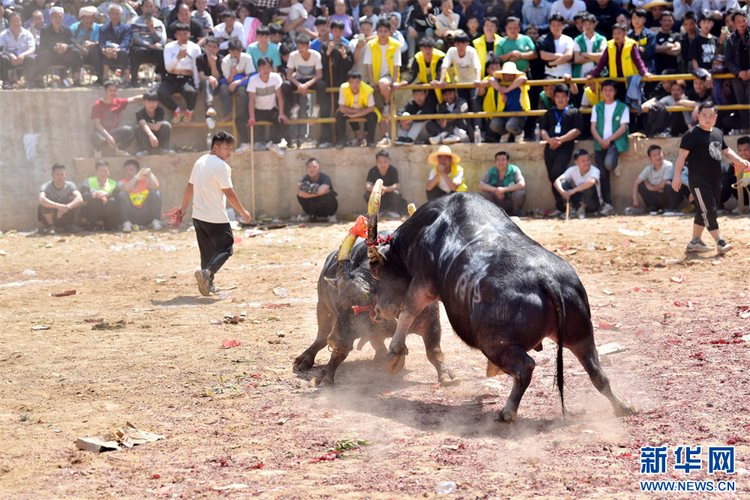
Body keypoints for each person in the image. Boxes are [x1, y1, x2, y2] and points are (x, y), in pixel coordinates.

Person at [177, 131, 252, 296]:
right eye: (226, 148)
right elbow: (229, 192)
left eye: (231, 149)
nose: (230, 152)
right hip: (215, 217)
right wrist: (243, 212)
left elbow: (190, 187)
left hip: (198, 216)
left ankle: (208, 284)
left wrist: (184, 207)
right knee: (226, 248)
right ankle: (207, 274)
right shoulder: (221, 166)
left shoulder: (200, 161)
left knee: (207, 252)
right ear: (216, 147)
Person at [672, 101, 750, 254]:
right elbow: (681, 157)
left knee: (704, 210)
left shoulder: (718, 133)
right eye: (704, 115)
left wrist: (740, 161)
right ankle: (720, 242)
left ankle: (695, 242)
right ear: (698, 116)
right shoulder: (692, 134)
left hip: (715, 180)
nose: (708, 119)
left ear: (716, 116)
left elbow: (726, 152)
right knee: (709, 210)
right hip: (699, 180)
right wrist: (677, 177)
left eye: (711, 116)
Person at [540, 83, 583, 215]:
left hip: (565, 147)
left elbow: (577, 130)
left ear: (568, 97)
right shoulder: (550, 112)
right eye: (557, 96)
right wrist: (549, 140)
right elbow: (542, 129)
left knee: (557, 174)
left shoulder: (574, 112)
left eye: (563, 96)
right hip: (550, 147)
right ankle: (561, 207)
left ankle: (571, 204)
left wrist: (561, 139)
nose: (560, 99)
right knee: (552, 177)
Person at [590, 79, 630, 216]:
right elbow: (593, 127)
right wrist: (601, 140)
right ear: (601, 92)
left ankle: (614, 162)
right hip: (600, 143)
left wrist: (608, 140)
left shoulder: (623, 107)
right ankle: (608, 204)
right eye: (605, 90)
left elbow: (623, 128)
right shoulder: (597, 107)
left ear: (615, 92)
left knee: (608, 164)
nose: (608, 93)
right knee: (603, 175)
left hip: (615, 142)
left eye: (610, 90)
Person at [587, 23, 653, 103]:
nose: (616, 36)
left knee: (632, 106)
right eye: (614, 33)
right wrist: (593, 74)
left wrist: (644, 72)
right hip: (615, 81)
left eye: (619, 33)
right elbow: (602, 62)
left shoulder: (631, 44)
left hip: (629, 81)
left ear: (625, 33)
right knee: (618, 103)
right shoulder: (610, 45)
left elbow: (638, 60)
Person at [282, 34, 325, 149]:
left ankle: (316, 107)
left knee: (322, 85)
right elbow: (289, 75)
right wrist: (299, 85)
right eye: (298, 47)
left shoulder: (316, 55)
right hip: (299, 81)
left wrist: (306, 85)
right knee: (285, 85)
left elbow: (319, 75)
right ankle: (294, 105)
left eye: (302, 47)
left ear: (308, 46)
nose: (300, 49)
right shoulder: (293, 55)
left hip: (311, 80)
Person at [364, 18, 402, 147]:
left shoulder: (396, 45)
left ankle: (387, 103)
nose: (383, 34)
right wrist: (371, 82)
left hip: (387, 78)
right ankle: (384, 136)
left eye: (385, 31)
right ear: (377, 32)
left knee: (383, 87)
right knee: (377, 110)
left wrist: (395, 82)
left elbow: (396, 65)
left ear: (390, 32)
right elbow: (368, 65)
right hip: (374, 80)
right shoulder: (371, 45)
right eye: (380, 31)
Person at [438, 30, 481, 130]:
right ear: (454, 44)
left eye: (463, 44)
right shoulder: (451, 51)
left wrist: (478, 79)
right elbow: (445, 65)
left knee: (476, 106)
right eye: (458, 44)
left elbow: (477, 66)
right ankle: (468, 132)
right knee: (464, 108)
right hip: (461, 84)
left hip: (473, 83)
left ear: (467, 44)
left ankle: (478, 130)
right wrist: (441, 80)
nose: (461, 46)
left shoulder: (472, 51)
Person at [159, 22, 201, 124]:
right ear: (175, 35)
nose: (183, 37)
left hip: (186, 77)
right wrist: (178, 57)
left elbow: (196, 67)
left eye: (185, 34)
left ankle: (189, 111)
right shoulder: (169, 47)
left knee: (190, 92)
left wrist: (197, 84)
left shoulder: (195, 48)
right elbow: (168, 67)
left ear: (189, 34)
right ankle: (177, 110)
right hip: (171, 77)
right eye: (180, 34)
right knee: (161, 93)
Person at [220, 39, 256, 152]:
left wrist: (237, 81)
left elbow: (249, 75)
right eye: (233, 51)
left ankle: (247, 110)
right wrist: (232, 74)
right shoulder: (225, 61)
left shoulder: (247, 58)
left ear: (241, 50)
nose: (235, 54)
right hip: (231, 80)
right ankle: (228, 111)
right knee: (223, 88)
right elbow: (227, 80)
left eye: (238, 51)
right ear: (229, 51)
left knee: (242, 90)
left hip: (243, 81)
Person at [247, 56, 287, 157]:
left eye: (268, 67)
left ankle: (274, 143)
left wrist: (281, 113)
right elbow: (251, 100)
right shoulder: (253, 80)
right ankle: (246, 143)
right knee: (239, 119)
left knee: (282, 120)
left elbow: (279, 96)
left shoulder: (276, 77)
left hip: (271, 109)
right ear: (259, 69)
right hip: (257, 110)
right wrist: (252, 116)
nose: (266, 70)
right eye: (263, 67)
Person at [91, 81, 141, 156]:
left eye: (115, 91)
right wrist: (108, 137)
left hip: (113, 133)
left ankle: (120, 150)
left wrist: (148, 96)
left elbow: (133, 99)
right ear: (105, 91)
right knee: (95, 136)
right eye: (110, 90)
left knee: (131, 131)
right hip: (101, 133)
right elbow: (97, 124)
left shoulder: (118, 102)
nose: (112, 93)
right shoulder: (98, 105)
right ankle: (98, 150)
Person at [629, 144, 683, 214]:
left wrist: (651, 188)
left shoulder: (668, 166)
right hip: (658, 197)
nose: (658, 157)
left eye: (659, 154)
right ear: (650, 158)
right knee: (641, 185)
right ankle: (654, 207)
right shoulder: (648, 169)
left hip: (671, 196)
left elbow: (663, 184)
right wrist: (635, 200)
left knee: (668, 185)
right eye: (654, 155)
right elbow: (636, 183)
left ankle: (672, 208)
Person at [484, 61, 529, 142]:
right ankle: (505, 133)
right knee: (494, 124)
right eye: (506, 74)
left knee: (510, 125)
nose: (509, 76)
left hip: (518, 115)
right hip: (503, 114)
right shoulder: (500, 83)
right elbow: (491, 79)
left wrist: (507, 89)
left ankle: (519, 133)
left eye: (511, 73)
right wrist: (501, 91)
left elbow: (523, 78)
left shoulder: (519, 84)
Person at [396, 36, 444, 109]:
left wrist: (437, 81)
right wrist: (406, 81)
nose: (428, 51)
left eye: (430, 48)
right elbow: (413, 72)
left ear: (433, 47)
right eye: (425, 48)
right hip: (427, 89)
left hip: (441, 87)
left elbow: (440, 70)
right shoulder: (417, 57)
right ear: (421, 48)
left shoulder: (440, 56)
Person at [37, 7, 81, 87]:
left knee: (76, 52)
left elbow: (74, 44)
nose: (58, 19)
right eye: (55, 17)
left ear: (63, 18)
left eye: (60, 17)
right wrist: (54, 48)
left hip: (65, 58)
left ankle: (77, 80)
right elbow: (42, 47)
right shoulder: (45, 30)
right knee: (44, 54)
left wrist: (66, 46)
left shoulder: (67, 30)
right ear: (50, 18)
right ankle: (40, 80)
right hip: (51, 58)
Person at [335, 70, 379, 148]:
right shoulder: (343, 87)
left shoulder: (367, 89)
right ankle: (341, 141)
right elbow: (341, 107)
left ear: (361, 81)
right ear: (348, 82)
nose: (355, 84)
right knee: (339, 115)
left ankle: (370, 141)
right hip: (352, 110)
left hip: (364, 111)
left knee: (373, 115)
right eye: (352, 82)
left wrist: (354, 115)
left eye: (357, 81)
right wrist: (356, 112)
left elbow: (371, 109)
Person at [116, 159, 163, 232]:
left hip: (145, 214)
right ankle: (126, 223)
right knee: (121, 194)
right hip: (131, 216)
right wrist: (136, 177)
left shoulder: (144, 181)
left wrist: (149, 173)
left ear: (137, 170)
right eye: (126, 170)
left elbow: (156, 186)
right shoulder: (121, 182)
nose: (129, 172)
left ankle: (155, 221)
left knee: (155, 192)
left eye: (131, 170)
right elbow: (126, 188)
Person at [553, 149, 602, 219]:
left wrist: (574, 190)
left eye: (588, 160)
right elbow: (557, 181)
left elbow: (592, 182)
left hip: (592, 203)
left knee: (589, 184)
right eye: (583, 161)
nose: (586, 163)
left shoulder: (595, 170)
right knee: (563, 182)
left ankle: (582, 209)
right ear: (576, 162)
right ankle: (570, 210)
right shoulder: (572, 170)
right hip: (578, 200)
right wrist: (562, 192)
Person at [130, 0, 166, 87]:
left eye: (151, 6)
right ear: (142, 7)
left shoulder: (158, 23)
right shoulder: (135, 21)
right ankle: (134, 78)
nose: (149, 8)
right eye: (147, 6)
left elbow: (161, 39)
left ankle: (163, 79)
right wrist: (149, 45)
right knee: (136, 52)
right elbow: (136, 39)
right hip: (142, 47)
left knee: (162, 52)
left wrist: (152, 28)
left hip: (155, 48)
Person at [478, 151, 526, 216]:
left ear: (508, 161)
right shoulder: (491, 171)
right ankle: (493, 214)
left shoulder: (515, 170)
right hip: (497, 202)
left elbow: (522, 184)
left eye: (503, 160)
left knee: (520, 193)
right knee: (484, 193)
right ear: (495, 162)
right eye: (498, 160)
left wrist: (504, 189)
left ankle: (515, 212)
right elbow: (481, 185)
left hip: (510, 201)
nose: (500, 162)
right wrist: (496, 190)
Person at [725, 10, 750, 133]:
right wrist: (739, 72)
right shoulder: (731, 40)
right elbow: (728, 60)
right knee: (741, 100)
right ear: (733, 23)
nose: (742, 24)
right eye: (738, 22)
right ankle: (746, 127)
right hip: (738, 76)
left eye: (744, 21)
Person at [38, 163, 83, 232]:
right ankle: (51, 226)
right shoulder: (46, 186)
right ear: (52, 175)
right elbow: (41, 199)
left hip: (66, 213)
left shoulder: (70, 185)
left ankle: (70, 225)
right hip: (53, 215)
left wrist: (67, 207)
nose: (60, 177)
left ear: (65, 174)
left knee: (74, 200)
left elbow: (79, 198)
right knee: (45, 202)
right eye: (57, 175)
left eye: (62, 174)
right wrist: (58, 206)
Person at [80, 160, 121, 230]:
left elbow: (116, 196)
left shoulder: (114, 184)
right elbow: (84, 195)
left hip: (106, 210)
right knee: (94, 200)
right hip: (91, 211)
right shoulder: (88, 181)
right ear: (96, 172)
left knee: (112, 201)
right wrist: (96, 195)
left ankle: (110, 225)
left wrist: (106, 194)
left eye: (105, 171)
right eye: (100, 171)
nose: (103, 173)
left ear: (109, 172)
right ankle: (92, 225)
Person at [0, 12, 37, 89]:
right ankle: (6, 82)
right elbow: (1, 49)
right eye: (13, 21)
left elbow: (32, 49)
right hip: (9, 58)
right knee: (3, 58)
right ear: (9, 23)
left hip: (23, 57)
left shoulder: (28, 34)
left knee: (31, 58)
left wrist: (23, 55)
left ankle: (29, 81)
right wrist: (11, 55)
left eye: (18, 21)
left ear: (21, 22)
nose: (16, 23)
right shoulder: (3, 34)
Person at [99, 4, 131, 86]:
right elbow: (101, 42)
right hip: (109, 52)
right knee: (107, 51)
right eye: (113, 14)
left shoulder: (126, 28)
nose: (115, 16)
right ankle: (105, 77)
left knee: (123, 51)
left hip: (120, 51)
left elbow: (126, 41)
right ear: (109, 14)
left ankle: (127, 78)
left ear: (121, 14)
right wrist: (104, 49)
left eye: (117, 14)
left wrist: (117, 49)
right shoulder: (103, 28)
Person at [297, 157, 339, 221]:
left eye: (314, 167)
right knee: (301, 197)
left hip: (325, 209)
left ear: (319, 168)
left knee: (329, 194)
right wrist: (318, 193)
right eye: (309, 167)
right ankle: (312, 216)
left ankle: (330, 216)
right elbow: (300, 194)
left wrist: (308, 191)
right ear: (306, 169)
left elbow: (322, 190)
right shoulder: (304, 179)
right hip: (313, 209)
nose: (312, 169)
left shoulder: (325, 178)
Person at [365, 150, 403, 218]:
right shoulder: (372, 171)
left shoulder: (393, 170)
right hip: (378, 195)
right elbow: (367, 186)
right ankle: (376, 212)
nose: (383, 164)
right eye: (380, 162)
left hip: (389, 194)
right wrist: (377, 190)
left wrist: (384, 188)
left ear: (389, 161)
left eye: (385, 162)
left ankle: (392, 211)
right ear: (376, 162)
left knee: (396, 193)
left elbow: (397, 185)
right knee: (367, 194)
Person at [135, 90, 173, 155]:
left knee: (166, 125)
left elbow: (157, 127)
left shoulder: (160, 111)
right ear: (144, 102)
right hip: (147, 139)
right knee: (139, 128)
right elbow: (143, 126)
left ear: (157, 102)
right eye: (149, 102)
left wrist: (145, 123)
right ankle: (144, 150)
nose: (152, 105)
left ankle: (165, 148)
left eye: (154, 102)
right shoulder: (139, 112)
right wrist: (150, 135)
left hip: (158, 138)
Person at [197, 37, 223, 129]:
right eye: (209, 46)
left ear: (218, 49)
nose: (211, 49)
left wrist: (213, 64)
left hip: (217, 86)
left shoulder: (221, 59)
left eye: (214, 47)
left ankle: (208, 115)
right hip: (204, 84)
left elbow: (217, 78)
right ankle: (210, 107)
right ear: (205, 46)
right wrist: (210, 77)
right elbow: (201, 77)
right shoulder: (200, 58)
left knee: (209, 84)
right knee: (207, 83)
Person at [536, 14, 574, 78]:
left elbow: (568, 56)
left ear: (563, 26)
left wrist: (551, 63)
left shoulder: (568, 39)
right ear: (549, 26)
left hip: (566, 75)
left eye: (558, 25)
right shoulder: (543, 39)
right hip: (550, 74)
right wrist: (560, 55)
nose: (556, 28)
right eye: (553, 25)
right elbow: (543, 56)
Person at [70, 7, 101, 83]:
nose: (89, 21)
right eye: (87, 18)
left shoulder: (97, 27)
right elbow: (69, 40)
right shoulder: (74, 27)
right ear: (82, 18)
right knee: (74, 52)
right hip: (77, 53)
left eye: (91, 18)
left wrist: (92, 44)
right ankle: (76, 80)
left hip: (91, 54)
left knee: (97, 51)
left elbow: (99, 41)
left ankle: (101, 77)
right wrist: (80, 48)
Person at [720, 136, 750, 212]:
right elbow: (726, 180)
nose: (743, 153)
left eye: (746, 150)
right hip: (743, 195)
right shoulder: (735, 163)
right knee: (728, 180)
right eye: (740, 150)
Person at [654, 10, 681, 76]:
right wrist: (669, 46)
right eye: (664, 20)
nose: (667, 23)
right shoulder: (654, 35)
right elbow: (654, 49)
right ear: (660, 21)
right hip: (658, 70)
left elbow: (677, 51)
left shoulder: (677, 35)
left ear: (673, 22)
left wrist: (661, 48)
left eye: (669, 20)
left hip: (673, 69)